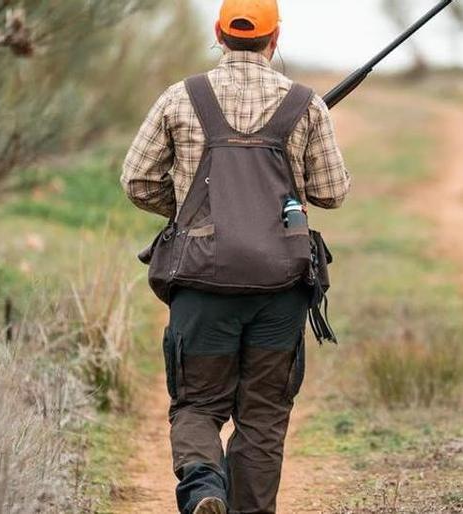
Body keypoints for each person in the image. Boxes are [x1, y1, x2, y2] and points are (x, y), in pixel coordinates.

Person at [120, 0, 350, 512]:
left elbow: (135, 180)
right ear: (275, 40)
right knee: (264, 415)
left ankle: (203, 488)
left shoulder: (181, 97)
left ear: (219, 34)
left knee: (199, 404)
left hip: (202, 286)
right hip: (281, 289)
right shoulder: (306, 104)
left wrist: (185, 213)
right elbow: (333, 192)